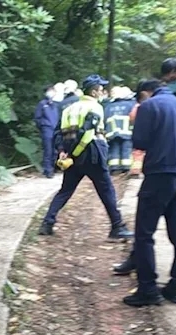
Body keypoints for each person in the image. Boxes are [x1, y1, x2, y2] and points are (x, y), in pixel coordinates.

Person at [112, 57, 176, 278]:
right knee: (171, 222)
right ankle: (146, 263)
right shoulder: (175, 99)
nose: (171, 81)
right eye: (167, 79)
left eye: (175, 77)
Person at [122, 79, 176, 307]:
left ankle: (148, 288)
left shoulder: (150, 106)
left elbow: (140, 141)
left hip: (158, 174)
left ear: (145, 93)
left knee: (144, 233)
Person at [38, 75, 133, 241]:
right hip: (91, 153)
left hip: (71, 153)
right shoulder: (95, 108)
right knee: (106, 190)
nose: (103, 92)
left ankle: (47, 223)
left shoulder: (69, 108)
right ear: (95, 92)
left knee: (66, 190)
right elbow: (87, 133)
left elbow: (58, 133)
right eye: (101, 89)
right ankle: (117, 226)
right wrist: (76, 154)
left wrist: (64, 151)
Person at [104, 86, 137, 174]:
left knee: (114, 149)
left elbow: (104, 118)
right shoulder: (131, 104)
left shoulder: (109, 106)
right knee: (126, 149)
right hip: (127, 132)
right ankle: (126, 167)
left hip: (111, 133)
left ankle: (114, 167)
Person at [35, 85, 60, 176]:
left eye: (53, 90)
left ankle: (52, 168)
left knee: (55, 150)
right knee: (48, 150)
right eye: (50, 90)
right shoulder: (42, 104)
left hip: (55, 130)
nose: (51, 92)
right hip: (47, 129)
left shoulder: (55, 104)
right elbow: (37, 118)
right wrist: (43, 126)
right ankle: (47, 170)